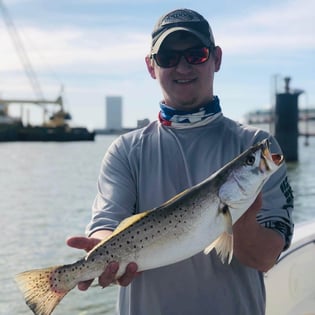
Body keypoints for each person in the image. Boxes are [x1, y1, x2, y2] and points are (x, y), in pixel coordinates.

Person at [67, 8, 294, 315]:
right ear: (151, 66)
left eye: (196, 54)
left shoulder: (257, 148)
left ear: (216, 58)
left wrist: (242, 215)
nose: (183, 66)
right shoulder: (126, 150)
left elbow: (265, 258)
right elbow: (106, 225)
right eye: (168, 57)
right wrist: (101, 253)